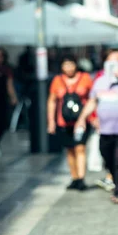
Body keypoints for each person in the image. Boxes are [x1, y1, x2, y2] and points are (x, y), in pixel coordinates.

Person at [75, 50, 118, 204]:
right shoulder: (100, 81)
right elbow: (92, 102)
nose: (112, 65)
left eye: (116, 61)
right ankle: (116, 180)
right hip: (105, 129)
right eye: (109, 62)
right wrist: (82, 118)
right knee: (107, 157)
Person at [47, 54, 93, 191]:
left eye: (71, 64)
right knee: (70, 150)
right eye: (65, 65)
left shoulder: (85, 78)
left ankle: (81, 178)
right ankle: (74, 178)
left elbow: (93, 98)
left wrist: (93, 116)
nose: (68, 68)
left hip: (82, 121)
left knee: (80, 147)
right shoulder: (57, 80)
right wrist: (51, 121)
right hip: (64, 122)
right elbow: (52, 101)